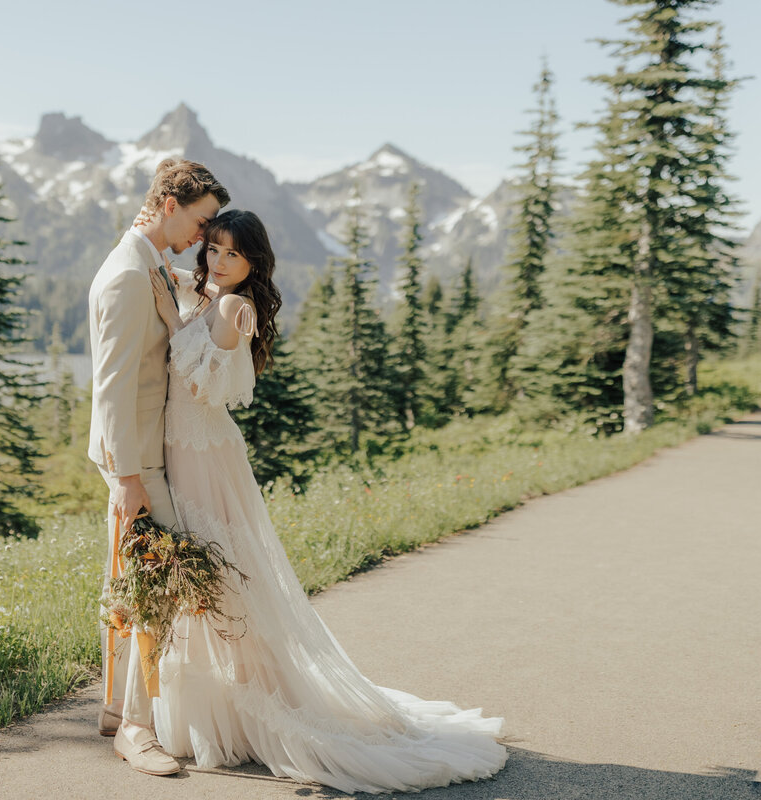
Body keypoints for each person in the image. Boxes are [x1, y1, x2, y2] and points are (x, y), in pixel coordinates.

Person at [146, 209, 508, 793]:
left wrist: (171, 315)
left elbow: (206, 385)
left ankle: (257, 704)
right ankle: (214, 704)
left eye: (232, 255)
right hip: (180, 452)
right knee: (201, 579)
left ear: (253, 263)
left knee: (225, 577)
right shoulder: (205, 290)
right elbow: (159, 267)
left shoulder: (238, 307)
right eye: (212, 249)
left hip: (206, 455)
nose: (217, 261)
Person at [86, 157, 230, 776]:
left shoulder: (144, 260)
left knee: (131, 580)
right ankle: (137, 730)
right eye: (200, 221)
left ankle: (118, 711)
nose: (202, 236)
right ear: (169, 205)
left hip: (144, 453)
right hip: (137, 458)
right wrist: (126, 477)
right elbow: (111, 387)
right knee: (157, 586)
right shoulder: (125, 274)